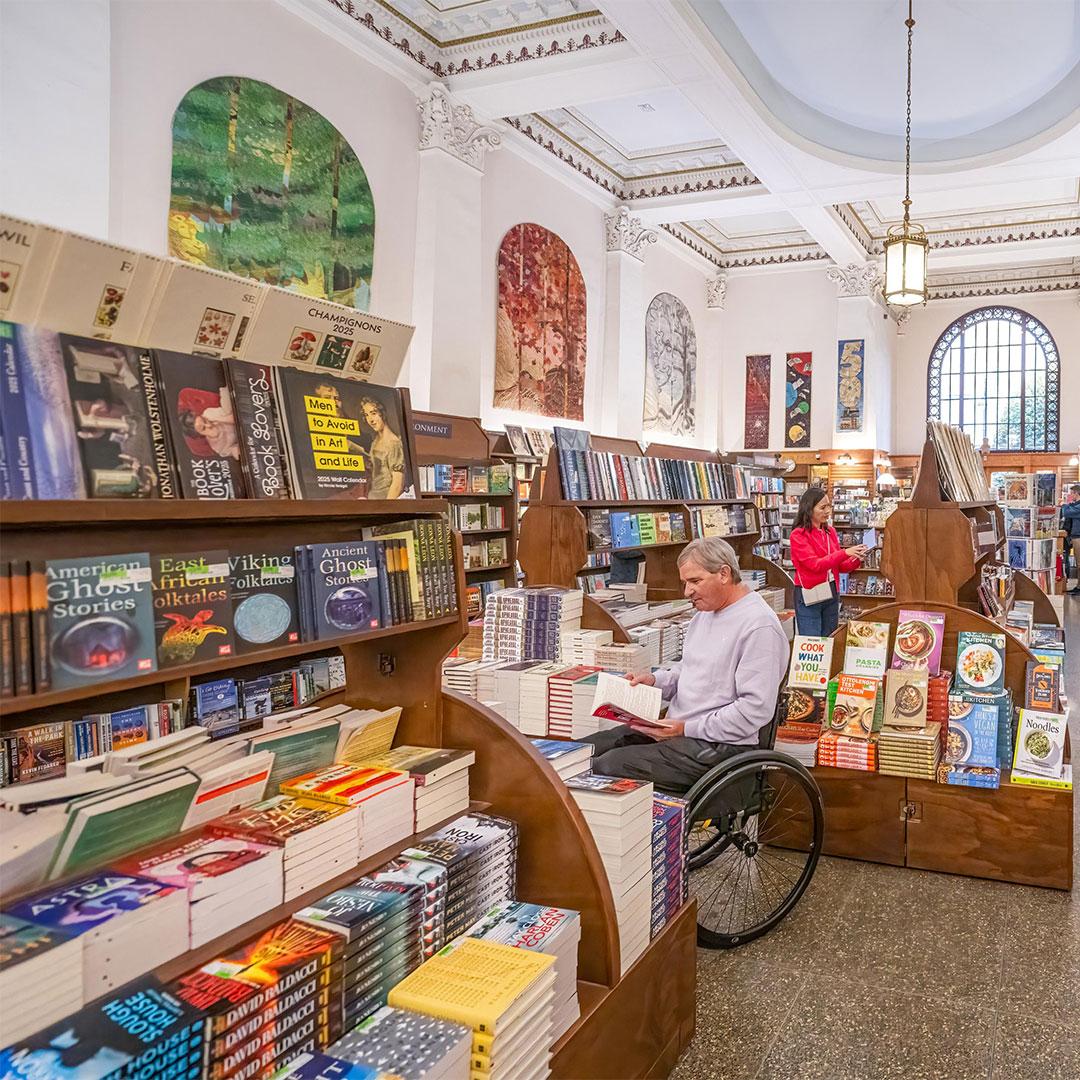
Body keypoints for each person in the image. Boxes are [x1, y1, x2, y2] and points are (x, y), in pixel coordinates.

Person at [582, 536, 789, 792]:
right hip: (679, 732)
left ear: (724, 573)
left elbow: (754, 710)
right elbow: (690, 670)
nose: (687, 592)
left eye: (695, 581)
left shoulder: (759, 627)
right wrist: (657, 681)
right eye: (685, 582)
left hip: (720, 746)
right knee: (582, 752)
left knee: (607, 766)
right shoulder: (705, 614)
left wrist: (685, 728)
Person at [789, 487, 868, 636]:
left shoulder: (829, 531)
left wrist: (856, 558)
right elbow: (815, 565)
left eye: (829, 506)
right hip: (809, 592)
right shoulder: (798, 535)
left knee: (829, 637)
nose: (827, 511)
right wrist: (844, 553)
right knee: (812, 641)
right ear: (809, 509)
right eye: (822, 507)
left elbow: (840, 566)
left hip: (831, 590)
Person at [360, 396, 406, 499]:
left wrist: (386, 510)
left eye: (373, 413)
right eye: (367, 415)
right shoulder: (375, 441)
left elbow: (397, 485)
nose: (370, 420)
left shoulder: (394, 444)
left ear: (382, 413)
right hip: (371, 497)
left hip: (385, 499)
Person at [1062, 484, 1080, 594]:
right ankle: (1078, 586)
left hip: (1078, 536)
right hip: (1076, 536)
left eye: (1071, 493)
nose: (1070, 495)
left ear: (1076, 493)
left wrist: (1064, 504)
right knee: (1079, 563)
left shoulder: (1078, 507)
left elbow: (1067, 512)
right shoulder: (1076, 505)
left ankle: (1079, 587)